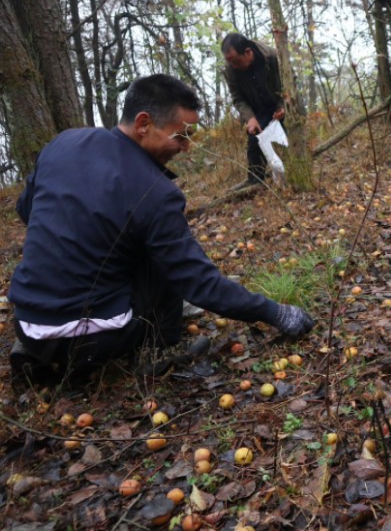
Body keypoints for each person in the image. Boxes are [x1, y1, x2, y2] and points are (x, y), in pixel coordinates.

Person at [7, 74, 315, 383]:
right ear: (144, 124)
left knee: (134, 244)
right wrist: (275, 313)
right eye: (181, 136)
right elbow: (199, 282)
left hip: (27, 323)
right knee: (162, 264)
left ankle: (38, 350)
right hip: (95, 341)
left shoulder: (64, 143)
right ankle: (159, 348)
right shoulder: (154, 192)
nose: (186, 147)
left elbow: (27, 211)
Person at [221, 33, 285, 187]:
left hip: (280, 103)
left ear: (248, 52)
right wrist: (249, 117)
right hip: (258, 109)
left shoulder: (272, 57)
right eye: (230, 62)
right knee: (254, 141)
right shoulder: (231, 70)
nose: (233, 66)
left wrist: (283, 105)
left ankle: (289, 172)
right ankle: (256, 183)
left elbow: (290, 82)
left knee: (287, 141)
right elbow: (237, 98)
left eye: (236, 61)